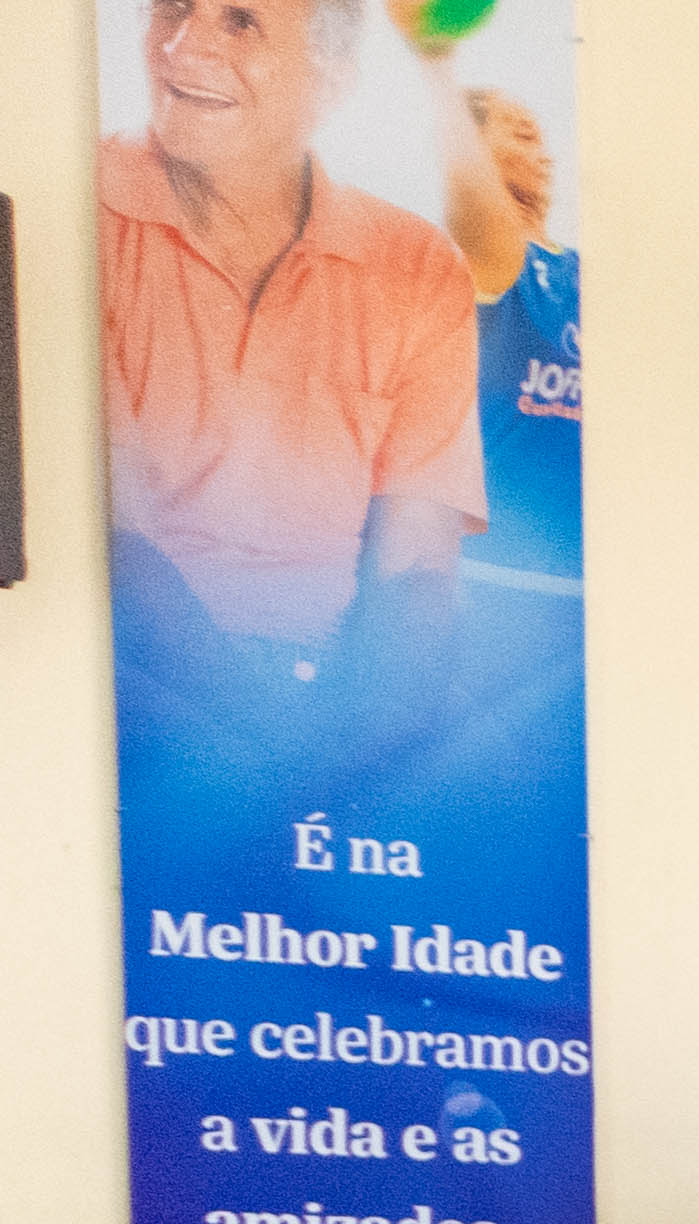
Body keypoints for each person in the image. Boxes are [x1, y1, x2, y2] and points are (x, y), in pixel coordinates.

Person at [99, 0, 484, 730]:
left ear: (330, 79)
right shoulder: (80, 205)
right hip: (142, 680)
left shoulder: (419, 266)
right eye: (172, 8)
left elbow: (417, 569)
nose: (184, 47)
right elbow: (116, 542)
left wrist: (361, 728)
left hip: (338, 699)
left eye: (240, 21)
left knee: (510, 785)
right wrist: (271, 743)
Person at [439, 81, 580, 595]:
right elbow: (476, 220)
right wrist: (437, 62)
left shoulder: (589, 275)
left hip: (585, 581)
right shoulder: (485, 262)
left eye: (541, 140)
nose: (543, 154)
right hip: (495, 578)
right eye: (522, 135)